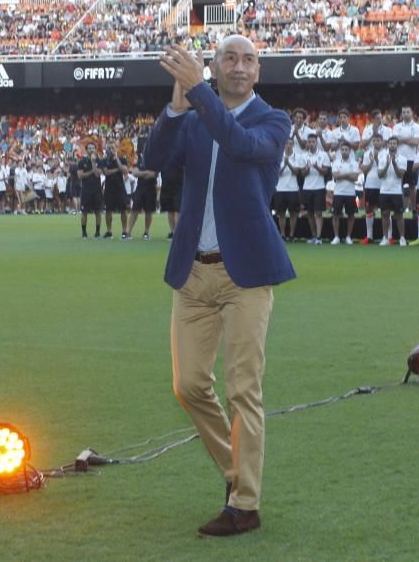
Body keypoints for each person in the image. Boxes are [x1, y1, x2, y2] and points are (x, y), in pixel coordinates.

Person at [144, 35, 294, 537]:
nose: (239, 66)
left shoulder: (272, 122)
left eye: (249, 60)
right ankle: (237, 472)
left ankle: (245, 504)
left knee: (243, 389)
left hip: (245, 273)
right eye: (229, 58)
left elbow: (239, 144)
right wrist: (177, 102)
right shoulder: (193, 117)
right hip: (193, 271)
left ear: (258, 71)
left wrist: (200, 94)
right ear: (213, 64)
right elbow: (156, 157)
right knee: (188, 385)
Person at [300, 133, 330, 244]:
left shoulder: (323, 155)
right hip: (307, 188)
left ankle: (319, 237)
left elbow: (326, 172)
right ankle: (313, 235)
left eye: (313, 142)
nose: (311, 144)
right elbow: (302, 174)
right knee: (309, 213)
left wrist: (317, 166)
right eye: (309, 142)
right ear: (307, 143)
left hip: (319, 187)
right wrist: (308, 168)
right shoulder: (303, 156)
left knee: (318, 213)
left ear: (316, 142)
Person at [377, 136, 408, 246]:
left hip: (396, 191)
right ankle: (385, 238)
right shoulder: (382, 158)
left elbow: (401, 175)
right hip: (384, 190)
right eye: (390, 143)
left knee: (399, 215)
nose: (392, 145)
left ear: (397, 145)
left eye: (394, 143)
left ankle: (402, 238)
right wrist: (387, 164)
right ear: (387, 144)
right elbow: (380, 175)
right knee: (385, 214)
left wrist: (394, 163)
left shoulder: (403, 159)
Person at [273, 138, 304, 241]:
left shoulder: (297, 157)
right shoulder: (278, 156)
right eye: (286, 143)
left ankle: (291, 235)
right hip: (280, 189)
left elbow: (296, 172)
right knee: (281, 213)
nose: (288, 145)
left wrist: (288, 163)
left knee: (293, 214)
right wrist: (285, 163)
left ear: (293, 145)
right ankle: (282, 234)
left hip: (293, 189)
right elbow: (277, 173)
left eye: (290, 143)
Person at [329, 140, 359, 244]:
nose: (344, 151)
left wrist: (342, 175)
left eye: (346, 149)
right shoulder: (336, 162)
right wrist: (347, 175)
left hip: (350, 193)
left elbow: (355, 178)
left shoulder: (354, 163)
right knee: (335, 215)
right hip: (338, 193)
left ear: (350, 151)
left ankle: (348, 237)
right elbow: (335, 176)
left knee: (351, 215)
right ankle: (336, 237)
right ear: (340, 151)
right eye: (342, 150)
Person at [359, 134, 385, 244]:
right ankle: (369, 236)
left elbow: (386, 169)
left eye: (378, 140)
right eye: (374, 140)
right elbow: (363, 169)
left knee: (385, 211)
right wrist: (371, 162)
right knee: (369, 209)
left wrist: (378, 160)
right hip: (370, 184)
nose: (376, 142)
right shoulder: (367, 153)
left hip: (383, 185)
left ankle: (387, 237)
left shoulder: (386, 153)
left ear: (382, 142)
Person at [129, 152, 158, 240]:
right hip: (140, 188)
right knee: (134, 210)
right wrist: (146, 173)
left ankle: (146, 232)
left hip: (151, 189)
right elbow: (134, 173)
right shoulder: (140, 160)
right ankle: (128, 232)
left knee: (149, 212)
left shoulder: (156, 161)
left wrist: (141, 173)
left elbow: (153, 175)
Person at [101, 146, 129, 239]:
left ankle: (124, 231)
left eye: (113, 149)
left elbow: (125, 171)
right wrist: (117, 169)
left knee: (123, 210)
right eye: (110, 149)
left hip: (120, 187)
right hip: (109, 188)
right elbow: (106, 172)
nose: (111, 151)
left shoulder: (122, 159)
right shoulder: (105, 160)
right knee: (108, 210)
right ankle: (109, 231)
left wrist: (117, 159)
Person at [77, 144, 104, 238]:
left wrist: (93, 163)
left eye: (93, 148)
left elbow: (97, 174)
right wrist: (91, 172)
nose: (91, 150)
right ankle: (84, 232)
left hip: (97, 189)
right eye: (89, 148)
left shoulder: (98, 161)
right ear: (86, 150)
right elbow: (80, 175)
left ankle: (97, 232)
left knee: (98, 212)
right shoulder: (81, 161)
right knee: (84, 212)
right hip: (86, 190)